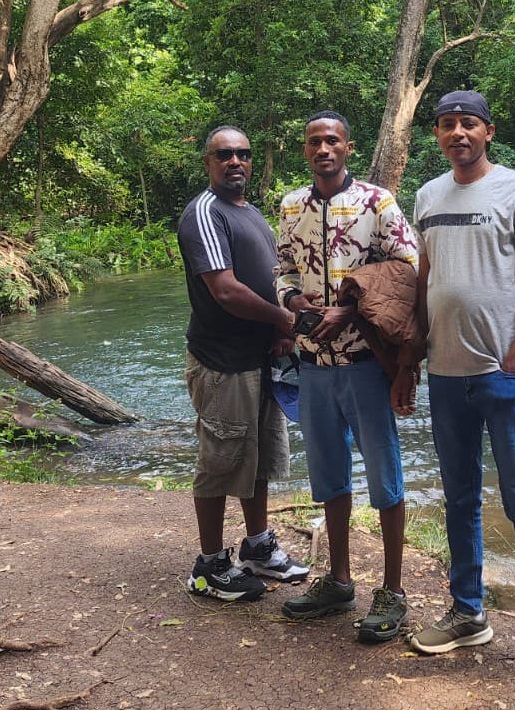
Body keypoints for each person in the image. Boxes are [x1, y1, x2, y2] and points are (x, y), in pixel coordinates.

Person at [407, 91, 515, 681]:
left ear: (488, 132)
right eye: (447, 124)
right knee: (459, 500)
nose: (458, 133)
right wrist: (412, 361)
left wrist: (514, 360)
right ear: (437, 134)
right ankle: (467, 612)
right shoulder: (428, 196)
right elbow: (425, 281)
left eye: (468, 124)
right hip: (445, 375)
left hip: (505, 378)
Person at [275, 111, 418, 643]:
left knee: (385, 476)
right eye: (315, 141)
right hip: (313, 365)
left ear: (348, 148)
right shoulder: (291, 206)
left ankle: (393, 590)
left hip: (365, 364)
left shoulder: (377, 203)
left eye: (332, 141)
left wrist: (352, 310)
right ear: (306, 149)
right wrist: (293, 299)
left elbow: (408, 270)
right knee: (328, 476)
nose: (324, 149)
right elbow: (282, 269)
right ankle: (338, 581)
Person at [178, 125, 309, 602]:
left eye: (243, 154)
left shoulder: (250, 212)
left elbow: (271, 277)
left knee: (257, 459)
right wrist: (285, 319)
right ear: (208, 162)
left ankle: (257, 547)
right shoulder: (205, 213)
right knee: (220, 460)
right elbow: (226, 290)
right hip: (221, 362)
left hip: (259, 359)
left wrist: (279, 332)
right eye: (225, 154)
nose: (236, 161)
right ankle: (210, 565)